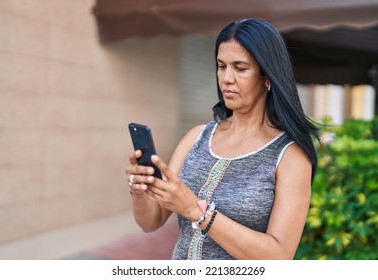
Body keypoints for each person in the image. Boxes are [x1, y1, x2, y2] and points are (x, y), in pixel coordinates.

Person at [125, 18, 319, 260]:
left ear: (268, 77)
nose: (226, 78)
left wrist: (196, 211)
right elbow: (151, 221)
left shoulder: (290, 156)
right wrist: (140, 190)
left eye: (240, 68)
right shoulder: (196, 137)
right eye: (221, 66)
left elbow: (278, 257)